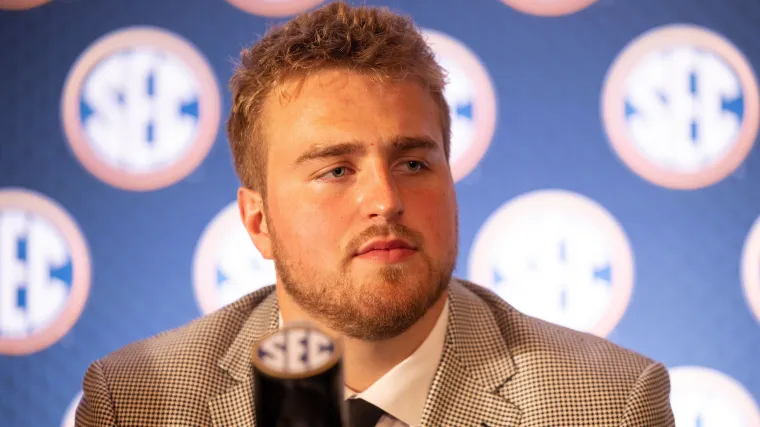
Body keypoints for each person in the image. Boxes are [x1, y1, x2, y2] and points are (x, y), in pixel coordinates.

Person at [75, 2, 675, 426]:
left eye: (414, 164)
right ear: (258, 222)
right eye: (336, 170)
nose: (385, 200)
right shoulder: (138, 402)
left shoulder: (606, 404)